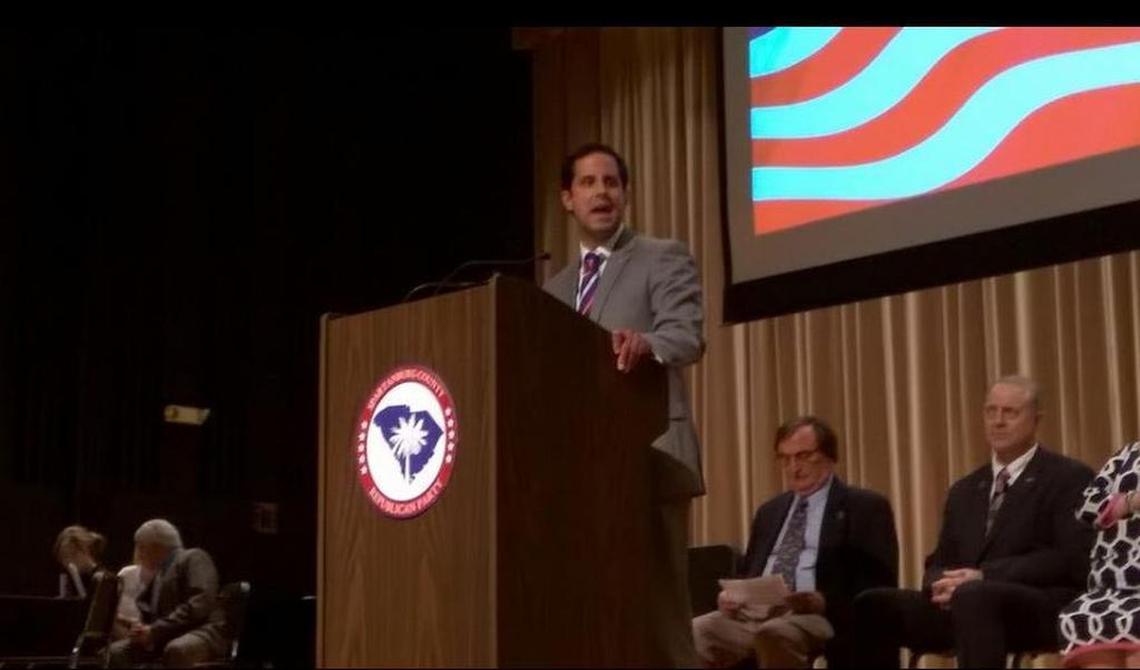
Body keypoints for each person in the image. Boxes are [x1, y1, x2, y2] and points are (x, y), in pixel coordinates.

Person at [543, 142, 705, 667]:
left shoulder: (663, 255)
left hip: (651, 455)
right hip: (580, 470)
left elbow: (686, 336)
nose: (601, 193)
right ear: (568, 199)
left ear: (625, 194)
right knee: (592, 620)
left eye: (611, 182)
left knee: (660, 622)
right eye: (588, 183)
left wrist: (646, 344)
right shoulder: (555, 287)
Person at [853, 375, 1095, 668]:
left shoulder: (1069, 477)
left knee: (974, 596)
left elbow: (1068, 560)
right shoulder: (965, 489)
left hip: (1041, 604)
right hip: (966, 602)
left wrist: (984, 576)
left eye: (1010, 412)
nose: (998, 421)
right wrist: (940, 583)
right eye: (991, 411)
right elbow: (939, 560)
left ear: (1035, 419)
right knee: (873, 603)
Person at [692, 416, 898, 668]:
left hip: (817, 615)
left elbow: (878, 582)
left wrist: (822, 600)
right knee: (697, 631)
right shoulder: (770, 511)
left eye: (802, 456)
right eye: (785, 459)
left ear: (829, 456)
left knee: (775, 633)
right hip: (755, 614)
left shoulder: (863, 506)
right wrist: (731, 596)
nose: (793, 467)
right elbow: (749, 571)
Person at [1058, 440, 1140, 668]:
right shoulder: (1128, 454)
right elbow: (1086, 505)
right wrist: (1129, 502)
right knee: (1079, 616)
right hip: (1110, 587)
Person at [108, 519, 227, 667]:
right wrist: (142, 629)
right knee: (116, 652)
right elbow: (153, 614)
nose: (138, 555)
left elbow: (201, 602)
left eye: (141, 548)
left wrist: (155, 630)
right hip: (169, 634)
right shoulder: (160, 573)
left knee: (177, 649)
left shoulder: (194, 557)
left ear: (156, 547)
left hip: (203, 631)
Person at [53, 525, 108, 599]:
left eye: (72, 555)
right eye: (63, 558)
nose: (68, 563)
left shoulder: (102, 579)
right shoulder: (70, 582)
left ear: (85, 550)